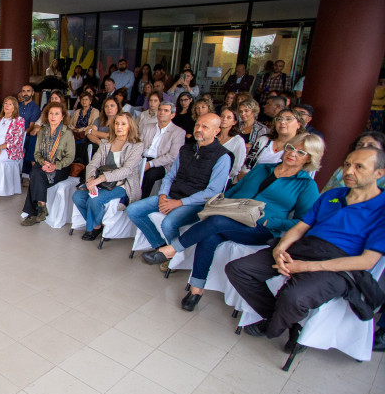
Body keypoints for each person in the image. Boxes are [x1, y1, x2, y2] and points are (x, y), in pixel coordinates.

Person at [227, 146, 385, 348]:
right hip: (305, 248)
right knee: (239, 269)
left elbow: (367, 261)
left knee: (293, 297)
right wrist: (279, 249)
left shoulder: (381, 209)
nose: (348, 171)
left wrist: (305, 267)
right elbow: (301, 227)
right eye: (347, 165)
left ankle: (275, 324)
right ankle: (289, 323)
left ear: (379, 173)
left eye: (359, 167)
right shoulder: (333, 195)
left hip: (339, 265)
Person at [144, 133, 324, 311]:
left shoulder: (306, 185)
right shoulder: (263, 169)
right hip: (230, 215)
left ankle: (171, 250)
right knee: (209, 236)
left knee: (216, 223)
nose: (293, 153)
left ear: (309, 159)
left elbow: (304, 222)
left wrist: (273, 222)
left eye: (301, 152)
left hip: (261, 228)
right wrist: (218, 203)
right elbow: (236, 188)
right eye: (291, 148)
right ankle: (196, 289)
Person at [128, 114, 232, 253]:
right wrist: (163, 194)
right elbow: (170, 176)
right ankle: (160, 246)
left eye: (204, 127)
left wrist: (180, 203)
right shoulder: (186, 149)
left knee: (169, 223)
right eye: (197, 125)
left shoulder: (222, 156)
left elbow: (212, 192)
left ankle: (175, 255)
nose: (198, 129)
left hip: (196, 204)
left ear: (216, 131)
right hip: (172, 195)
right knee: (133, 210)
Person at [72, 112, 144, 241]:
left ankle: (93, 228)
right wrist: (90, 179)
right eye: (116, 123)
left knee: (95, 200)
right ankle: (98, 225)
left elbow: (126, 170)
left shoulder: (136, 145)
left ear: (130, 127)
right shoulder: (106, 143)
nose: (119, 127)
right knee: (77, 196)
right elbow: (93, 164)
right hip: (101, 182)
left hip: (123, 184)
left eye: (123, 124)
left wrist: (99, 179)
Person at [21, 101, 74, 225]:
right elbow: (37, 153)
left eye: (57, 114)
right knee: (36, 172)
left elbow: (70, 157)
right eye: (51, 113)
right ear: (47, 115)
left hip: (61, 167)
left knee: (35, 175)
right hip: (44, 164)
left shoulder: (67, 133)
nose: (53, 116)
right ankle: (41, 208)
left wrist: (55, 166)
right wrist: (43, 162)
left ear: (62, 117)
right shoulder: (43, 131)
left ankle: (35, 211)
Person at [239, 107, 303, 181]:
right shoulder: (264, 140)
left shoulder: (300, 149)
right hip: (248, 182)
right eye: (279, 119)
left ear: (299, 124)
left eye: (288, 119)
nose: (282, 122)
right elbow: (246, 167)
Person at [139, 102, 186, 199]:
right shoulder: (148, 126)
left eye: (166, 111)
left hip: (161, 162)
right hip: (143, 157)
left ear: (172, 115)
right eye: (160, 110)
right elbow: (139, 145)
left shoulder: (178, 132)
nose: (161, 113)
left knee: (149, 176)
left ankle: (141, 201)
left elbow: (173, 156)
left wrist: (150, 164)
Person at [84, 97, 120, 165]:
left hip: (112, 148)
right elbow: (88, 134)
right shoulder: (99, 119)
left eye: (112, 105)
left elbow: (109, 136)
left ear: (117, 107)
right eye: (106, 106)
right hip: (98, 145)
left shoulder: (120, 120)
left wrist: (93, 132)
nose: (109, 108)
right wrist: (99, 142)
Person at [217, 107, 247, 184]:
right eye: (222, 116)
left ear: (234, 122)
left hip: (225, 178)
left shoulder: (238, 141)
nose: (224, 119)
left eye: (228, 117)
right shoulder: (213, 136)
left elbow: (236, 166)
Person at [69, 92, 100, 162]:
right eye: (82, 99)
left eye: (86, 99)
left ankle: (79, 160)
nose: (84, 101)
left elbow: (93, 125)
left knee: (83, 140)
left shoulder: (95, 111)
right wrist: (74, 129)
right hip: (75, 133)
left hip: (86, 133)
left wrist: (80, 130)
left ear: (90, 101)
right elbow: (71, 124)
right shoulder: (77, 111)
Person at [19, 84, 43, 174]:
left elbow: (31, 126)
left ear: (32, 93)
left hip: (27, 135)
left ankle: (26, 174)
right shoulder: (19, 106)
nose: (25, 93)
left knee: (30, 143)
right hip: (16, 134)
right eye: (23, 91)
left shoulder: (35, 108)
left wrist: (22, 135)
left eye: (28, 91)